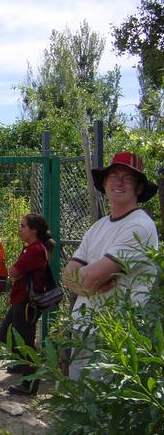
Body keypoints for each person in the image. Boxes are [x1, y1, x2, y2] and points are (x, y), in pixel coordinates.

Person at [62, 152, 159, 380]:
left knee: (99, 407)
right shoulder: (98, 226)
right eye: (113, 176)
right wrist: (89, 283)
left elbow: (84, 278)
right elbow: (68, 276)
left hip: (114, 333)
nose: (119, 182)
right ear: (104, 183)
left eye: (128, 178)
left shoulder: (140, 226)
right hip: (84, 327)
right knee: (80, 404)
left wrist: (86, 281)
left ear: (138, 189)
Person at [0, 213, 56, 395]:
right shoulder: (30, 248)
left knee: (25, 341)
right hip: (20, 300)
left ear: (34, 230)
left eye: (23, 226)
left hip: (27, 303)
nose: (19, 229)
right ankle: (23, 365)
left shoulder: (35, 249)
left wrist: (15, 273)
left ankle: (30, 385)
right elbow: (15, 273)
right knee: (5, 334)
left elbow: (13, 272)